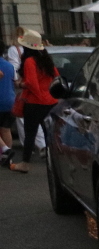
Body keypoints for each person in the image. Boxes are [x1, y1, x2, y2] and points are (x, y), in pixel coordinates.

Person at [10, 29, 57, 174]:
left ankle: (25, 163)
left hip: (35, 102)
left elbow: (31, 83)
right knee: (50, 133)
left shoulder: (30, 61)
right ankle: (55, 161)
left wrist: (20, 84)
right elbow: (56, 76)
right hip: (51, 101)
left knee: (30, 133)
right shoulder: (46, 59)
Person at [0, 52, 14, 168]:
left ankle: (5, 151)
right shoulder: (9, 66)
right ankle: (7, 159)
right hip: (10, 100)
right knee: (6, 129)